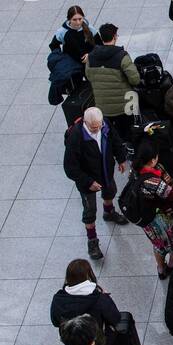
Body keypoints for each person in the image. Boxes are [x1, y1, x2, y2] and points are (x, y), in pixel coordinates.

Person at [63, 106, 128, 261]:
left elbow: (116, 140)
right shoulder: (76, 137)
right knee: (90, 211)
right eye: (93, 127)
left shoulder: (104, 124)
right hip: (87, 180)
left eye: (99, 126)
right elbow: (70, 168)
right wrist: (88, 182)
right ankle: (92, 241)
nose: (97, 129)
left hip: (106, 171)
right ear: (85, 122)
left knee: (110, 191)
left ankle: (109, 212)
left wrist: (121, 158)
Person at [128, 141, 173, 278]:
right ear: (152, 160)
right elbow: (171, 194)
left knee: (157, 244)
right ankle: (172, 264)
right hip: (157, 218)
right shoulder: (152, 181)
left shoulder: (134, 170)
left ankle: (161, 269)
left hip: (145, 218)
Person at [83, 23, 141, 149]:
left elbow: (89, 76)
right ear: (115, 37)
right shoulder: (122, 56)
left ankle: (114, 148)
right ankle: (130, 148)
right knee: (127, 131)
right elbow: (135, 79)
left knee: (110, 131)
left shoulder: (91, 57)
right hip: (124, 106)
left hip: (103, 106)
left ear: (101, 38)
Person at [50, 258, 122, 340]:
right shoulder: (99, 299)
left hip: (72, 342)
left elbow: (55, 322)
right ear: (89, 276)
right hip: (97, 341)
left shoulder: (58, 299)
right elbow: (115, 318)